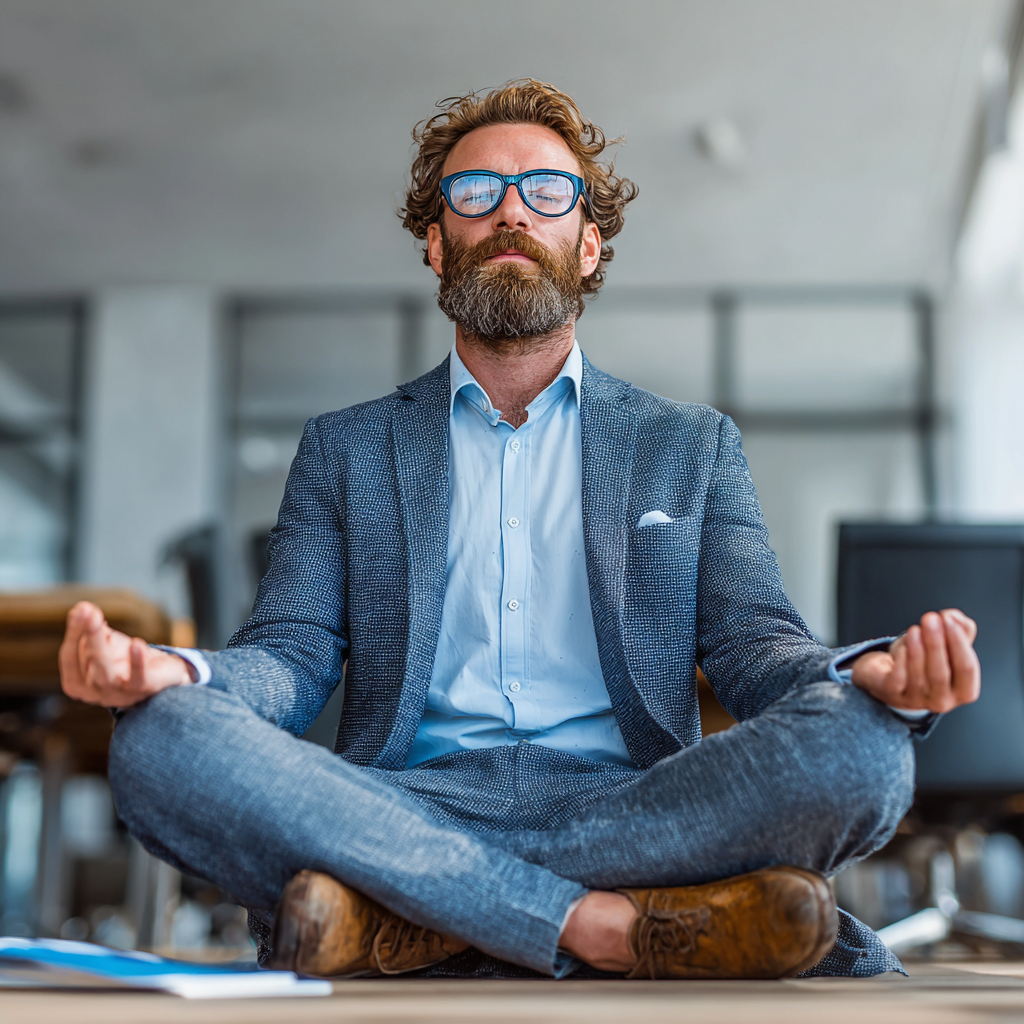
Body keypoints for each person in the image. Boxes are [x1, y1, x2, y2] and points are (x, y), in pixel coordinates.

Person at [58, 80, 980, 981]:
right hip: (404, 802)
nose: (510, 214)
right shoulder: (345, 449)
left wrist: (863, 678)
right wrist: (183, 677)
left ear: (586, 244)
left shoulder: (689, 446)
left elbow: (751, 646)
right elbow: (293, 654)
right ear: (435, 243)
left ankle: (412, 917)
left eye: (545, 192)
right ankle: (601, 928)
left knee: (863, 746)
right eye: (475, 192)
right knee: (157, 740)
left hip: (638, 806)